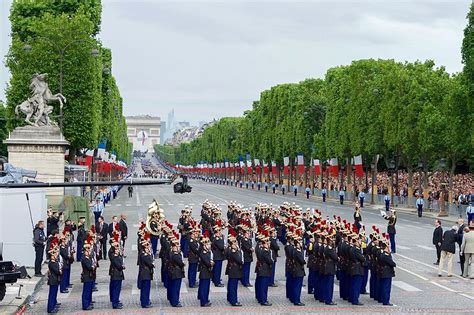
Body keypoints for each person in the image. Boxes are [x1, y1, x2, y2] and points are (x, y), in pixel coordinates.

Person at [226, 230, 243, 307]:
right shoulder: (233, 251)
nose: (236, 243)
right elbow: (239, 260)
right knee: (233, 286)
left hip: (231, 269)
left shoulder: (229, 249)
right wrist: (238, 250)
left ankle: (230, 298)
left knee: (231, 285)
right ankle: (234, 301)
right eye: (235, 242)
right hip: (234, 270)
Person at [255, 233, 273, 306]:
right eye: (267, 242)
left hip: (261, 268)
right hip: (264, 269)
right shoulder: (265, 251)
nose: (268, 243)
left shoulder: (259, 248)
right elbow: (270, 261)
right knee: (264, 286)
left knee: (261, 285)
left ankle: (260, 298)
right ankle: (263, 300)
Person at [379, 236, 396, 306]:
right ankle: (386, 301)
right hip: (387, 272)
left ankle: (384, 300)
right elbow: (392, 263)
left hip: (384, 272)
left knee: (384, 286)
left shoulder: (383, 254)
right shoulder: (386, 255)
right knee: (386, 287)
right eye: (388, 246)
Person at [138, 235, 154, 308]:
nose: (149, 248)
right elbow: (150, 263)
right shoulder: (145, 255)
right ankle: (145, 303)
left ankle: (145, 300)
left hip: (145, 273)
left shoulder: (144, 253)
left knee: (145, 289)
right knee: (145, 289)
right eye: (147, 248)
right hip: (145, 273)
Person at [198, 231, 213, 307]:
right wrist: (211, 263)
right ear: (204, 246)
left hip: (207, 272)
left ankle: (206, 300)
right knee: (204, 288)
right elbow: (208, 263)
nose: (209, 245)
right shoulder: (203, 253)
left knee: (207, 288)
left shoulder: (207, 252)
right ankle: (203, 302)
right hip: (204, 272)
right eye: (207, 244)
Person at [109, 237, 125, 309]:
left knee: (117, 289)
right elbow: (118, 265)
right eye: (116, 247)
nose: (118, 248)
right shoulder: (114, 255)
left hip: (117, 274)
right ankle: (115, 303)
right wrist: (122, 266)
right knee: (116, 289)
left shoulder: (116, 255)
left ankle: (116, 301)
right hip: (116, 274)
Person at [168, 240, 184, 307]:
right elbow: (181, 263)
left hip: (173, 272)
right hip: (177, 272)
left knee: (173, 287)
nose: (178, 247)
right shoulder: (176, 255)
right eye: (177, 246)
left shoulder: (171, 253)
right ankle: (175, 302)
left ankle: (173, 300)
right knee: (176, 288)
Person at [291, 237, 306, 306]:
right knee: (297, 286)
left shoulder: (295, 250)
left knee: (296, 285)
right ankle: (297, 300)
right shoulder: (297, 252)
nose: (301, 244)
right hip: (298, 270)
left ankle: (295, 299)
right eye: (300, 243)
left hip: (296, 269)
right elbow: (302, 261)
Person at [81, 244, 95, 311]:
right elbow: (89, 267)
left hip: (90, 276)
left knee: (89, 291)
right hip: (87, 276)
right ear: (84, 252)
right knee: (86, 292)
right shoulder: (85, 259)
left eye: (89, 250)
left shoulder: (88, 258)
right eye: (87, 251)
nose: (88, 252)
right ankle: (85, 305)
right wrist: (92, 266)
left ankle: (88, 303)